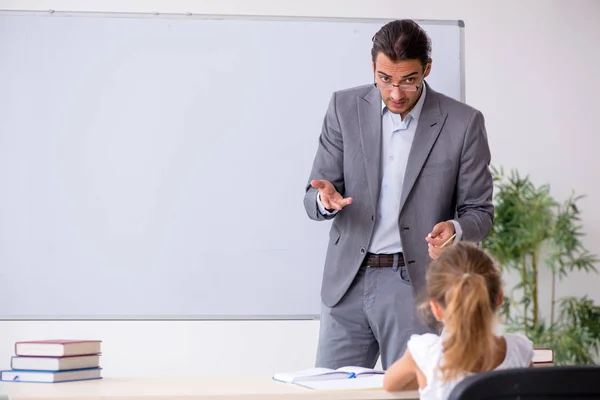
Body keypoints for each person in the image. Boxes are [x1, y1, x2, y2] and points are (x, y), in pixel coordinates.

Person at [303, 19, 494, 370]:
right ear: (373, 67)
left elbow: (480, 212)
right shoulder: (343, 108)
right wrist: (323, 201)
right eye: (385, 79)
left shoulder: (462, 123)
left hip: (414, 287)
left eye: (408, 80)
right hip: (346, 284)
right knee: (330, 393)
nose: (395, 93)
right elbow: (314, 195)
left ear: (427, 70)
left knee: (410, 393)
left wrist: (455, 229)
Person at [382, 242, 535, 399]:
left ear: (435, 308)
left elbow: (389, 385)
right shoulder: (520, 352)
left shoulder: (426, 354)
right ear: (499, 299)